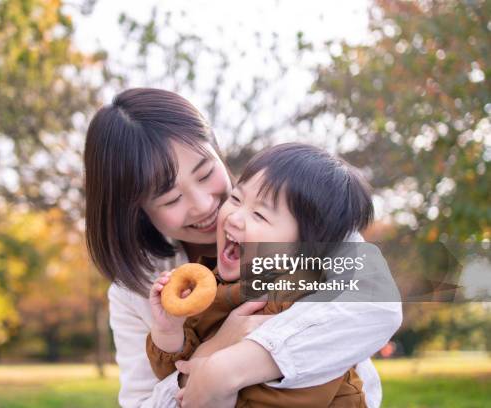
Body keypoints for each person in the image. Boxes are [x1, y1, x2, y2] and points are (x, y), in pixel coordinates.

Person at [84, 88, 402, 407]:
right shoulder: (137, 290)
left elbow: (375, 305)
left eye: (206, 173)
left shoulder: (300, 210)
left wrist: (234, 364)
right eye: (171, 199)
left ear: (217, 151)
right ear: (135, 209)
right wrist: (213, 350)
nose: (204, 204)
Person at [147, 143, 373, 407]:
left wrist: (219, 392)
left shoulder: (302, 302)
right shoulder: (216, 284)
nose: (235, 217)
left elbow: (294, 396)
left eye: (259, 215)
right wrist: (168, 331)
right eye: (236, 199)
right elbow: (176, 375)